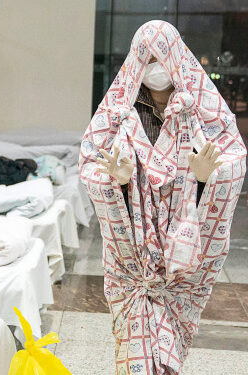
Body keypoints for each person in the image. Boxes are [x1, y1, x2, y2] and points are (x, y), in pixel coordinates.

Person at [80, 21, 246, 374]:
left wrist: (206, 179)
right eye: (148, 58)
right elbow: (91, 159)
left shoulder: (202, 108)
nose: (156, 67)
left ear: (177, 57)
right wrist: (119, 183)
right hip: (133, 260)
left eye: (163, 57)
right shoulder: (120, 109)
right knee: (131, 348)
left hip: (181, 255)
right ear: (137, 59)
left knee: (171, 347)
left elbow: (233, 159)